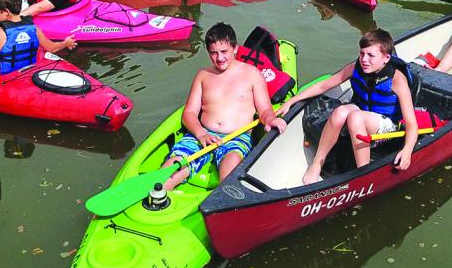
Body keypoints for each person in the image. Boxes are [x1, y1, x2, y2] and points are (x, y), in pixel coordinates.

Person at [278, 29, 417, 185]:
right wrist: (291, 101)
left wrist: (407, 151)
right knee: (340, 112)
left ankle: (364, 174)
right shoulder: (356, 67)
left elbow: (411, 123)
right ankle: (317, 162)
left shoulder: (397, 79)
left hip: (387, 129)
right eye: (362, 53)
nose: (364, 59)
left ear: (386, 58)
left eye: (371, 55)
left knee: (355, 117)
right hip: (362, 116)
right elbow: (323, 86)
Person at [161, 23, 287, 190]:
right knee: (169, 171)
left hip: (236, 138)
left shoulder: (252, 74)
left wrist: (271, 119)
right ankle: (155, 199)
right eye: (214, 53)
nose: (219, 58)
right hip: (202, 135)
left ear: (235, 48)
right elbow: (189, 113)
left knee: (230, 172)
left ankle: (225, 206)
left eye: (224, 52)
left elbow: (264, 109)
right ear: (208, 52)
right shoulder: (203, 75)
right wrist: (201, 134)